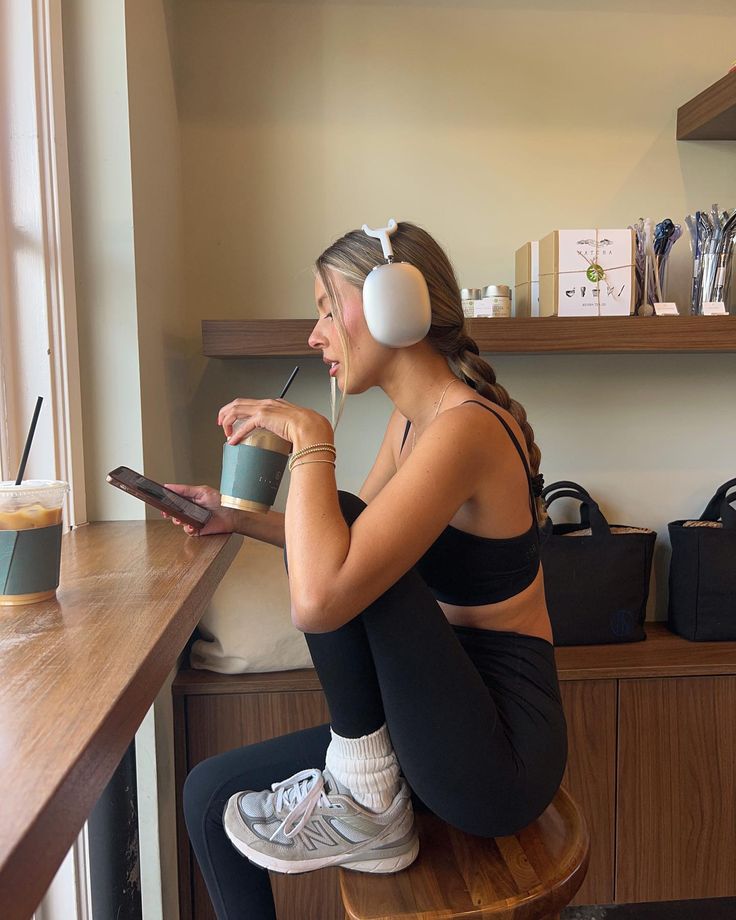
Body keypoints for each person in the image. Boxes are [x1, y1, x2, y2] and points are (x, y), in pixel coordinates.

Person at [168, 222, 567, 920]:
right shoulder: (411, 424)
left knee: (344, 514)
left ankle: (367, 799)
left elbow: (322, 597)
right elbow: (346, 556)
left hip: (496, 756)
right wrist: (238, 520)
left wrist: (311, 439)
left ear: (394, 304)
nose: (315, 333)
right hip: (426, 711)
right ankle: (366, 790)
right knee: (209, 793)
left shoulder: (466, 429)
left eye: (328, 306)